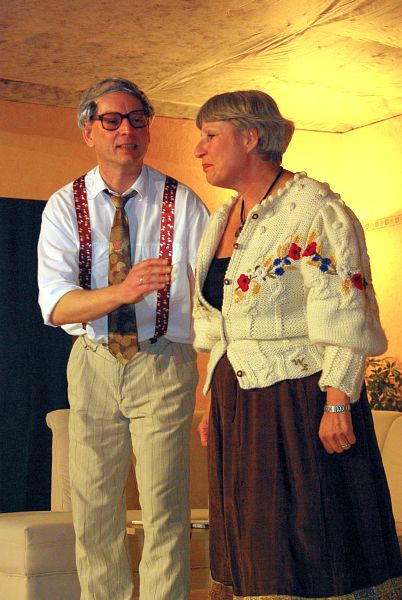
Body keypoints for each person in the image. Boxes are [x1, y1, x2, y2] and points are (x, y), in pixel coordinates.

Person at [192, 90, 402, 600]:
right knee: (252, 542)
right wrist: (212, 398)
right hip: (239, 398)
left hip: (298, 397)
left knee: (309, 542)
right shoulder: (223, 218)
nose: (200, 149)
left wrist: (338, 400)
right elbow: (219, 321)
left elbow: (346, 310)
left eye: (211, 136)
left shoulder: (316, 211)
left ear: (250, 137)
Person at [37, 77, 209, 600]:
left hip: (163, 361)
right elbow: (56, 306)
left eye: (137, 119)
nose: (126, 130)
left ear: (148, 130)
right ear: (88, 132)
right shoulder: (64, 205)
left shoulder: (184, 203)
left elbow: (212, 300)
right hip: (92, 361)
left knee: (164, 507)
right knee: (93, 510)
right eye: (111, 120)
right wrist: (123, 291)